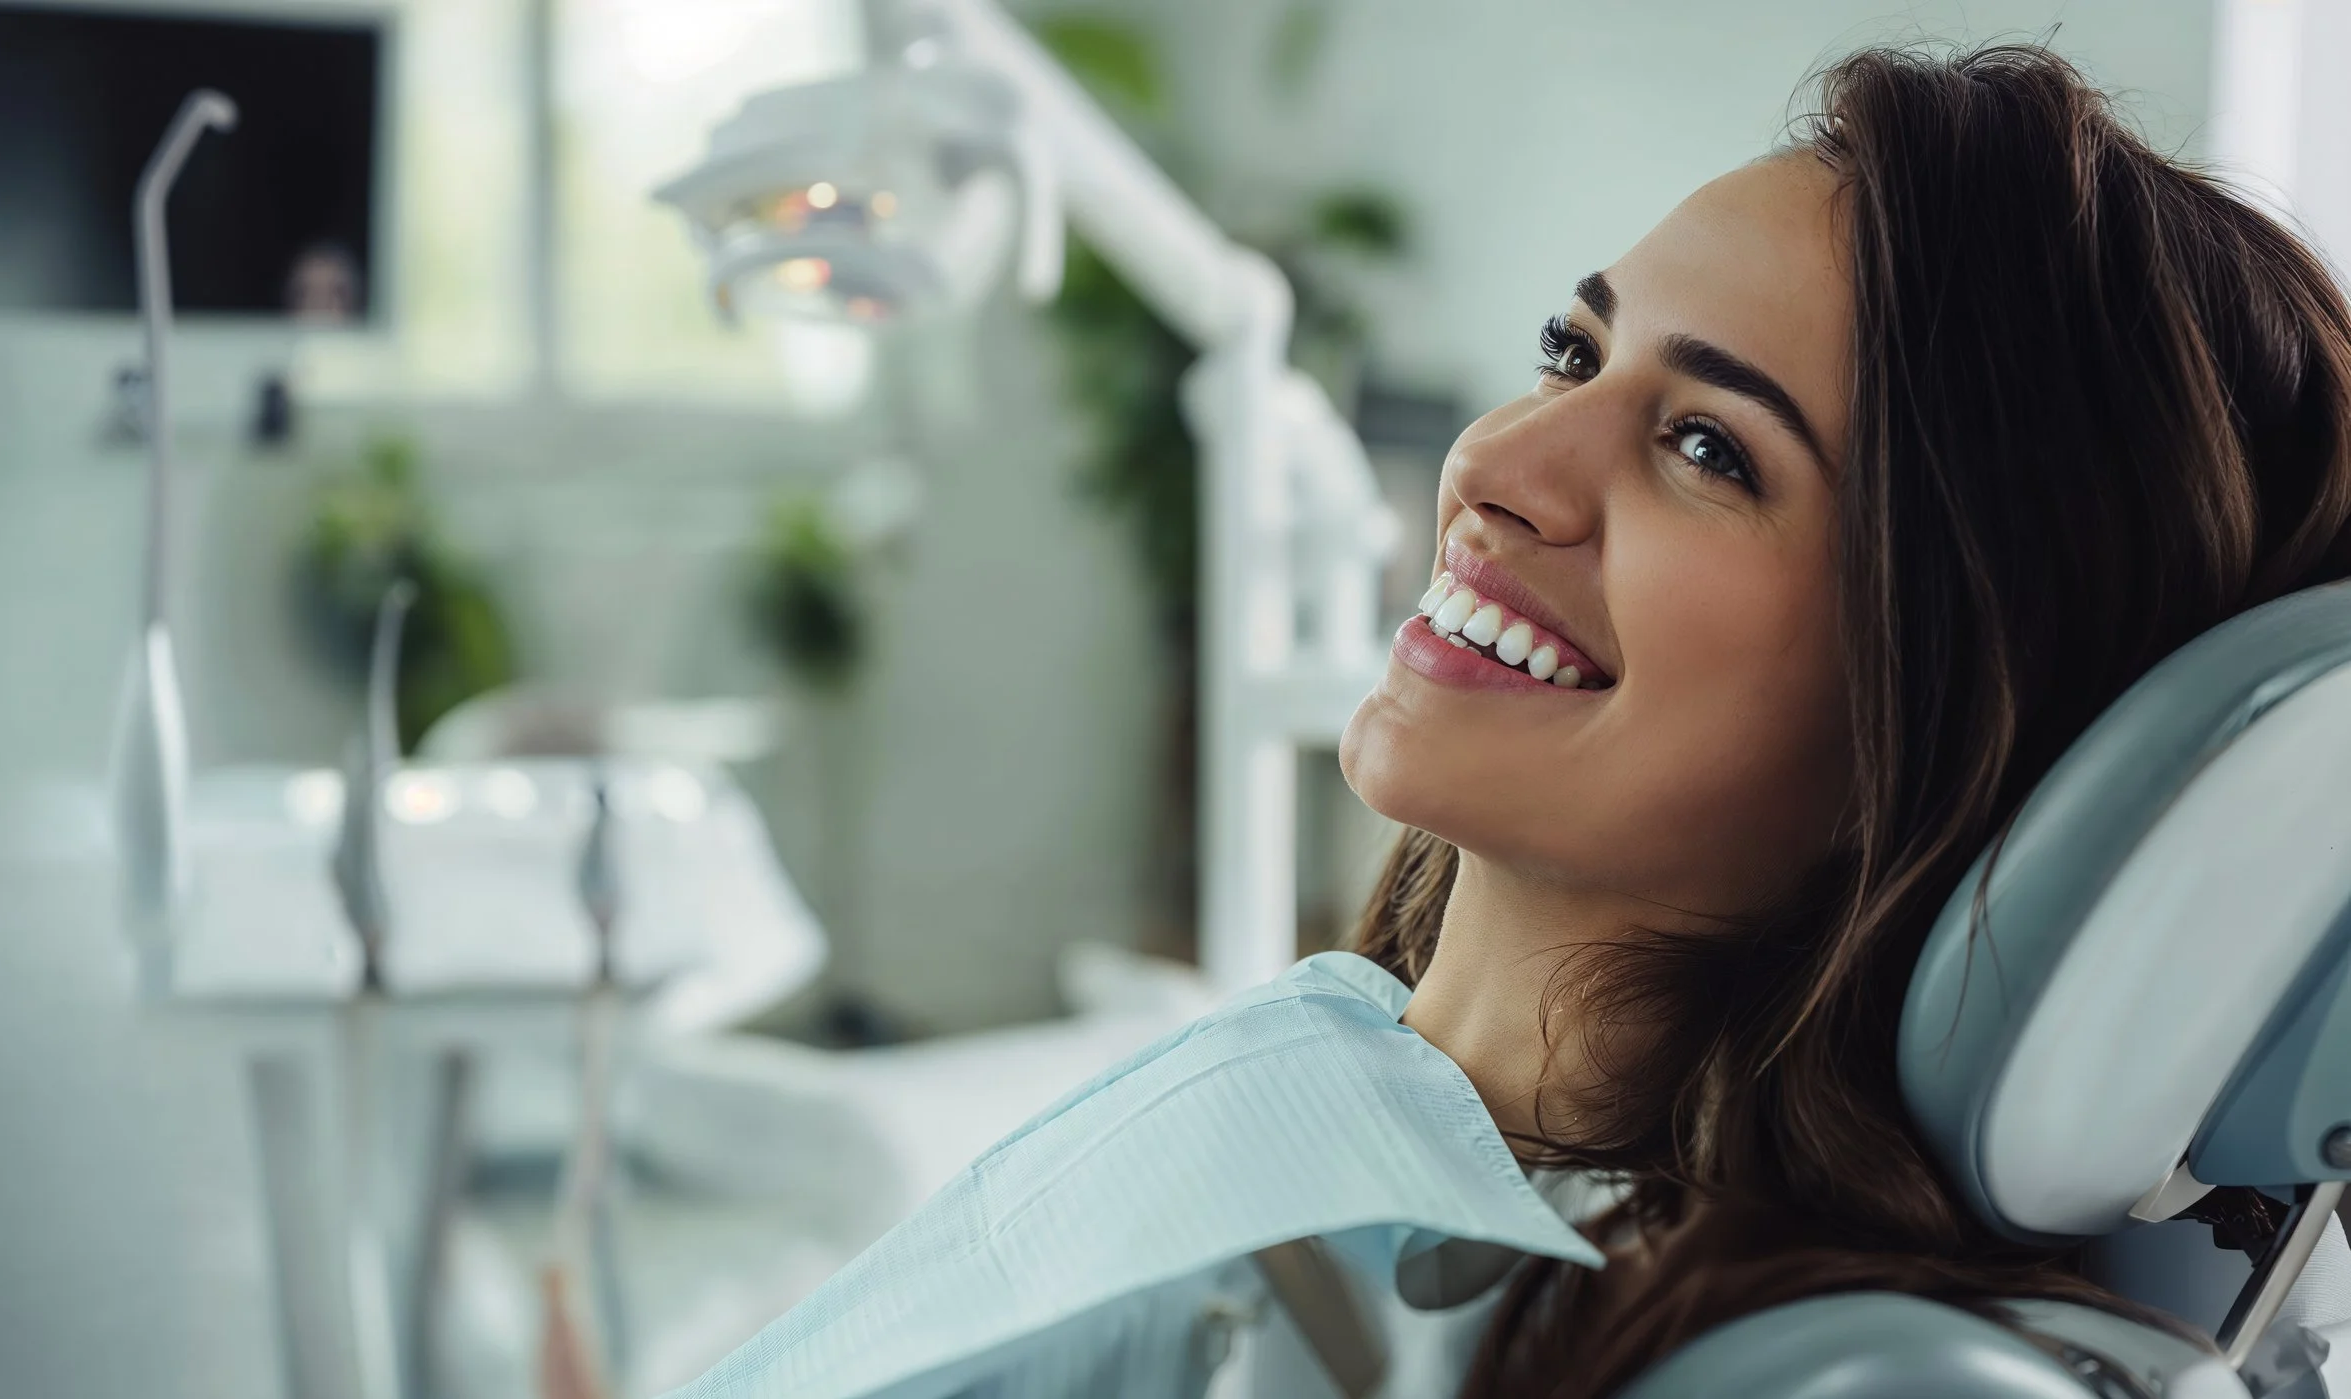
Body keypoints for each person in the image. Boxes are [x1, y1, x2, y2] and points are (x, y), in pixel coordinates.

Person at [683, 41, 2351, 1399]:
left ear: (1944, 701)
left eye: (1709, 448)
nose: (1498, 467)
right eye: (1573, 352)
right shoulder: (1349, 1055)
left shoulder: (1438, 1332)